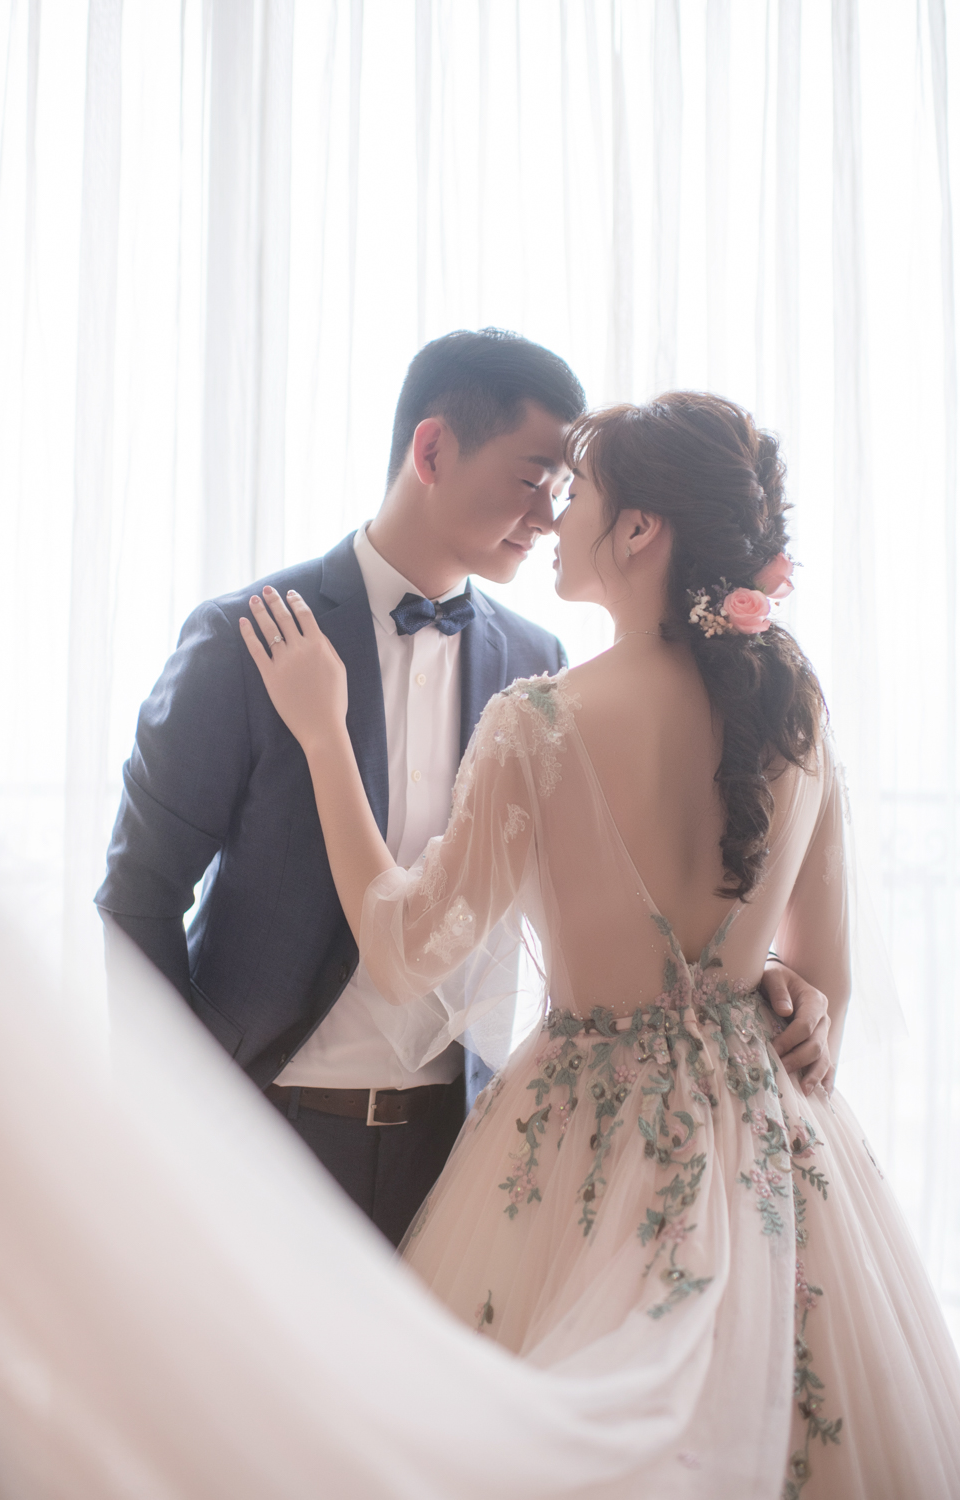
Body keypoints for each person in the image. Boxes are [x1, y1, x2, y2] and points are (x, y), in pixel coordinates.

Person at [238, 392, 960, 1496]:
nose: (554, 517)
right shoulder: (794, 700)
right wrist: (782, 989)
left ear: (637, 531)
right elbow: (829, 982)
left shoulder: (540, 723)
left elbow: (401, 950)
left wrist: (323, 732)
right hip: (772, 1141)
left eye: (576, 494)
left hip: (580, 1137)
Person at [96, 329, 829, 1246]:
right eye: (533, 478)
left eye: (567, 490)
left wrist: (747, 978)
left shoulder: (540, 664)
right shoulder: (248, 637)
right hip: (257, 1127)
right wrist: (170, 1104)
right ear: (434, 450)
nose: (550, 515)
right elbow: (139, 891)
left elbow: (603, 891)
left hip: (455, 1144)